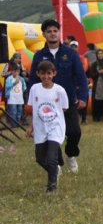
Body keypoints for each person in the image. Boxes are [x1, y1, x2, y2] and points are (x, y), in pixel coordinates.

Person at [29, 20, 89, 174]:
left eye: (55, 30)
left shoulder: (70, 54)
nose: (52, 33)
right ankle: (57, 164)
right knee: (51, 135)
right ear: (44, 34)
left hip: (68, 102)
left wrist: (83, 97)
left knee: (74, 132)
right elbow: (33, 80)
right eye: (49, 31)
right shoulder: (39, 55)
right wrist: (30, 103)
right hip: (46, 105)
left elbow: (81, 77)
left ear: (59, 32)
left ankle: (71, 155)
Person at [26, 61, 68, 193]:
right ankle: (55, 169)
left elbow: (64, 108)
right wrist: (31, 126)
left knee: (51, 158)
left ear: (54, 73)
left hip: (55, 127)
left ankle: (51, 188)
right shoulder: (34, 89)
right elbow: (32, 109)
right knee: (40, 158)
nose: (46, 76)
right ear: (38, 74)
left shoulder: (60, 90)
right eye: (43, 73)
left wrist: (53, 117)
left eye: (49, 73)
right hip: (40, 128)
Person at [87, 49, 103, 122]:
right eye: (98, 54)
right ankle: (98, 118)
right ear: (96, 55)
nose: (100, 55)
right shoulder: (94, 64)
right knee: (98, 102)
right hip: (98, 85)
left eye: (101, 53)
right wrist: (99, 72)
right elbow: (91, 74)